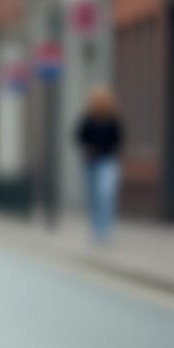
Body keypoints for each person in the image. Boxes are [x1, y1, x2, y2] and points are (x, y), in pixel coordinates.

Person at [75, 86, 123, 244]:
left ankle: (105, 231)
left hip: (108, 162)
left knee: (106, 194)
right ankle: (96, 230)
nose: (100, 103)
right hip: (91, 164)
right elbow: (79, 137)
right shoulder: (88, 119)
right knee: (94, 197)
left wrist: (112, 151)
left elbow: (119, 139)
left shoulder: (113, 119)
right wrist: (87, 149)